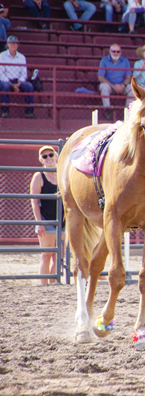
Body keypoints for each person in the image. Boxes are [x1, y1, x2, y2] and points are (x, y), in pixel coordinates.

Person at [30, 146, 61, 285]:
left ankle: (53, 284)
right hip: (46, 220)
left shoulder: (62, 173)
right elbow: (34, 202)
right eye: (45, 156)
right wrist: (39, 223)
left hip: (62, 220)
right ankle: (43, 287)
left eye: (51, 154)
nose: (49, 158)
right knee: (47, 255)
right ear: (40, 160)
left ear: (56, 156)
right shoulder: (39, 176)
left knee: (58, 256)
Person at [0, 36, 35, 119]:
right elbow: (1, 74)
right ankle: (5, 111)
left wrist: (18, 84)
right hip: (6, 80)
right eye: (11, 43)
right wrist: (12, 85)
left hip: (18, 81)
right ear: (7, 45)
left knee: (29, 86)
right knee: (5, 86)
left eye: (15, 44)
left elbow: (24, 74)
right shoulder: (2, 56)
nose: (13, 45)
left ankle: (29, 112)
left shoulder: (22, 57)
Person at [97, 43, 133, 120]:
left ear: (120, 52)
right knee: (104, 87)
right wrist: (113, 86)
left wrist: (123, 85)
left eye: (118, 51)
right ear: (110, 52)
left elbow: (128, 76)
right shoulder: (104, 60)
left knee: (132, 88)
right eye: (114, 51)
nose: (116, 53)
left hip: (122, 86)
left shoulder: (125, 61)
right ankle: (107, 110)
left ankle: (127, 112)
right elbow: (100, 77)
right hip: (110, 86)